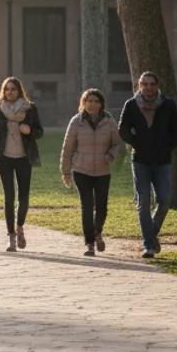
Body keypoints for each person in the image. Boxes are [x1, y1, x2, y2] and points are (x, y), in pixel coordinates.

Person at [119, 71, 177, 258]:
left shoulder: (168, 104)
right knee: (144, 203)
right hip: (140, 161)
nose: (148, 88)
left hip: (163, 161)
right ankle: (148, 245)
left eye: (151, 84)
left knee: (164, 201)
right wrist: (136, 142)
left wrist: (168, 147)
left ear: (157, 85)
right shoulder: (131, 105)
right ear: (139, 86)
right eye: (144, 84)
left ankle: (151, 233)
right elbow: (122, 128)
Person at [0, 77, 44, 253]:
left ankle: (20, 227)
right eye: (7, 89)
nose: (10, 92)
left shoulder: (29, 109)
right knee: (9, 198)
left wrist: (30, 131)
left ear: (19, 91)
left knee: (24, 196)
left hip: (24, 158)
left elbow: (40, 132)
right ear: (3, 92)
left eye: (13, 89)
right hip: (5, 158)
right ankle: (10, 236)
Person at [61, 88, 123, 256]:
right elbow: (67, 148)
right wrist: (65, 171)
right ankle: (89, 243)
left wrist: (111, 155)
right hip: (81, 170)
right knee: (87, 206)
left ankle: (97, 232)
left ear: (101, 104)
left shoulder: (109, 121)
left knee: (102, 206)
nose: (93, 104)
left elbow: (117, 143)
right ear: (83, 103)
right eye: (89, 101)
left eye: (96, 101)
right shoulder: (76, 121)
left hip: (103, 170)